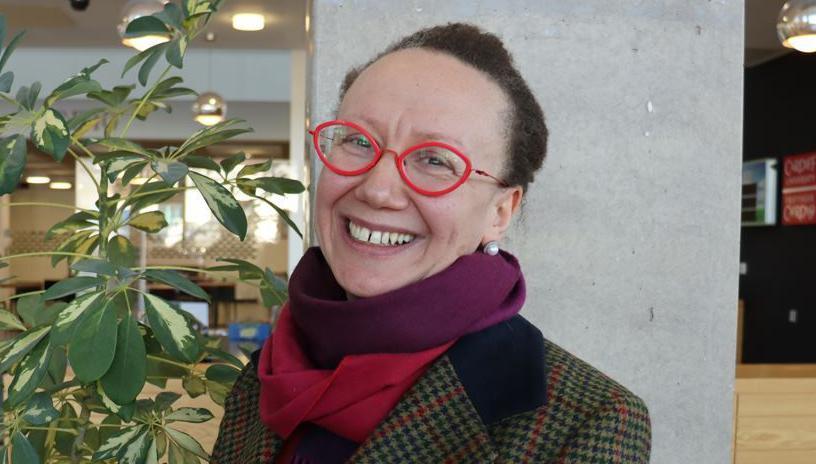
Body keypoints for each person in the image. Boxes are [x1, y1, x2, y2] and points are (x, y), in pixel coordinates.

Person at [212, 23, 651, 464]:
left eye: (435, 160)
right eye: (359, 141)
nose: (378, 190)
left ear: (501, 212)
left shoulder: (587, 420)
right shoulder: (268, 372)